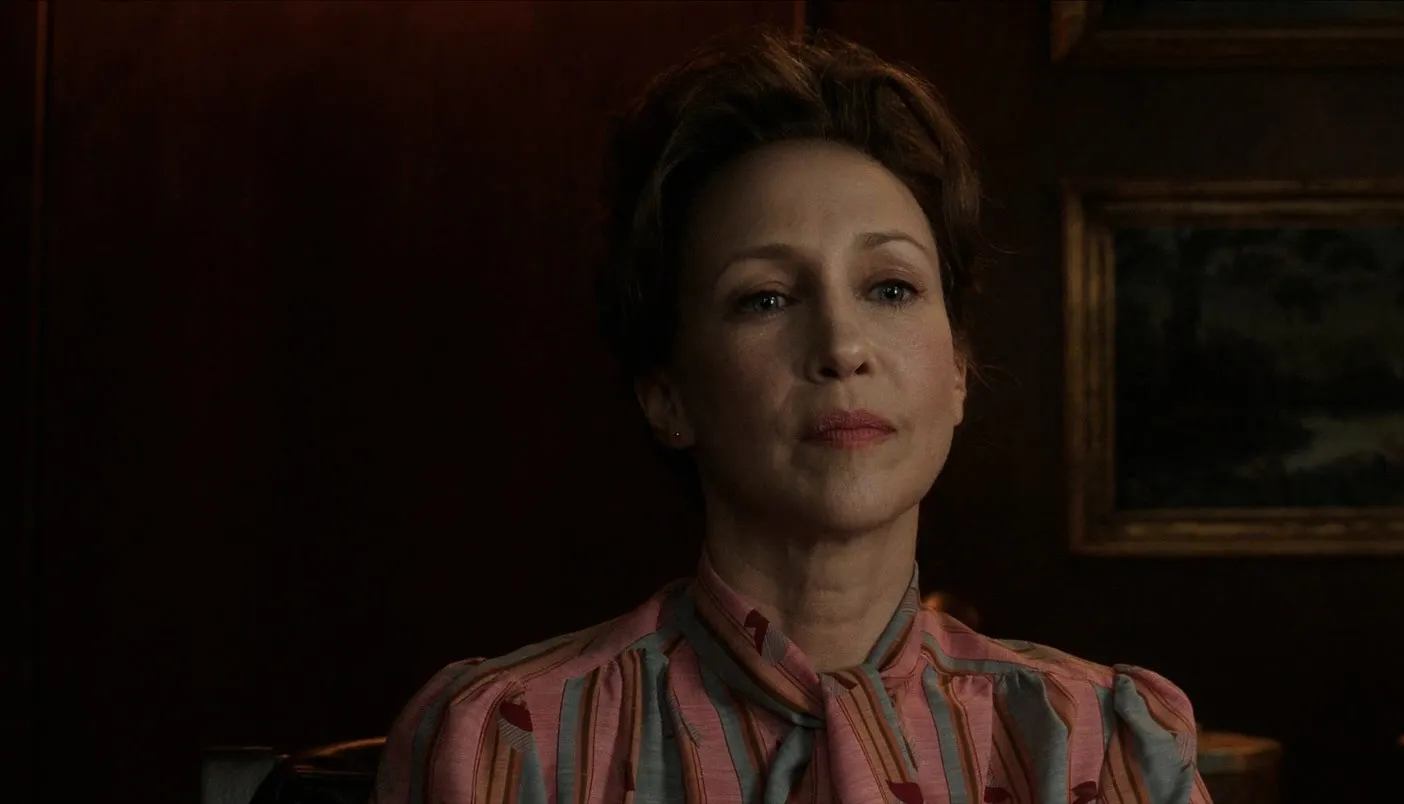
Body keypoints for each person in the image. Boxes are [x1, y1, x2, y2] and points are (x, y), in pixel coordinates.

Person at [372, 28, 1212, 804]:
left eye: (891, 288)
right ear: (667, 394)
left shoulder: (1096, 741)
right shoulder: (509, 742)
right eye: (766, 298)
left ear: (957, 370)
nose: (843, 346)